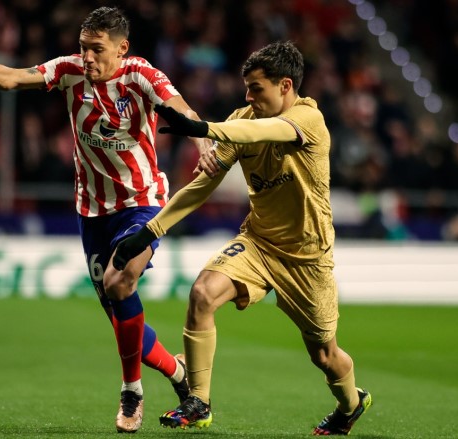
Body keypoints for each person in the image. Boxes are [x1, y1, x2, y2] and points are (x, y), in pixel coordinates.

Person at [0, 6, 212, 433]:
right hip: (91, 209)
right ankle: (177, 373)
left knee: (121, 282)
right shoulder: (68, 71)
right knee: (121, 317)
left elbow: (179, 106)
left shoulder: (141, 75)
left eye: (97, 50)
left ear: (122, 48)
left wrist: (205, 140)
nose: (87, 58)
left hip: (143, 202)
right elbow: (12, 78)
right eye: (84, 48)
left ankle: (131, 391)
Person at [113, 41, 372, 435]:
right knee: (202, 292)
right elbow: (201, 186)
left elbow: (263, 131)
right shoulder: (242, 119)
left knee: (324, 353)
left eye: (257, 88)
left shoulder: (308, 119)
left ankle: (351, 404)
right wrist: (151, 231)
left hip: (307, 257)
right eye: (246, 88)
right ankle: (198, 401)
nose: (248, 96)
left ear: (286, 86)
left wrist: (204, 128)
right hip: (258, 243)